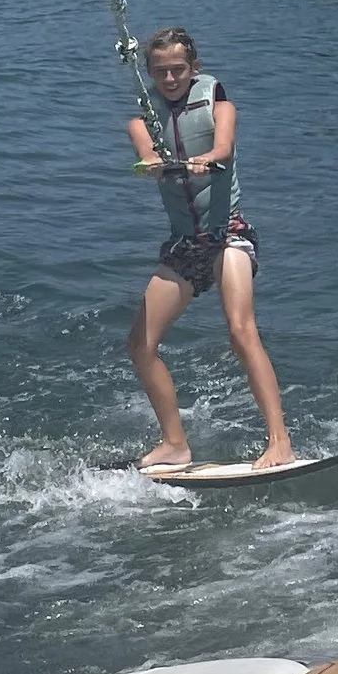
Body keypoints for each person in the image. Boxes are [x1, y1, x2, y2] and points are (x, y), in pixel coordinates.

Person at [125, 24, 294, 472]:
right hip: (185, 244)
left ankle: (280, 441)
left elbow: (222, 147)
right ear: (150, 74)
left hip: (229, 234)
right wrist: (154, 164)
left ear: (194, 68)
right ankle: (175, 444)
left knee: (240, 329)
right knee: (140, 344)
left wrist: (207, 160)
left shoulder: (223, 106)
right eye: (160, 72)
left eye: (178, 70)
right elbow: (145, 154)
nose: (170, 79)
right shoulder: (143, 120)